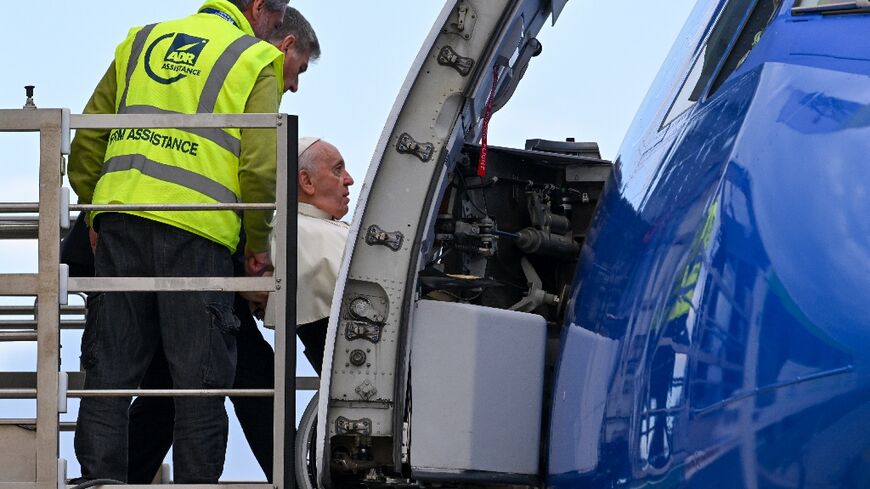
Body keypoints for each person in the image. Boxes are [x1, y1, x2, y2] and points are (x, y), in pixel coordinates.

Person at [68, 0, 289, 483]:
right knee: (201, 386)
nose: (275, 33)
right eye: (276, 21)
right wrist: (257, 244)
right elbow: (259, 170)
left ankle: (98, 482)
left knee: (109, 377)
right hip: (200, 234)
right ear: (257, 9)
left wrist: (93, 209)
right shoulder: (255, 58)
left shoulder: (141, 41)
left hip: (120, 223)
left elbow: (86, 142)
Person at [123, 8, 323, 483]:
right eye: (300, 70)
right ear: (285, 45)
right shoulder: (253, 65)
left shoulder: (183, 57)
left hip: (144, 230)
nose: (295, 85)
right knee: (220, 376)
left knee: (174, 380)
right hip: (197, 240)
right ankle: (289, 476)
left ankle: (120, 475)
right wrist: (253, 256)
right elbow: (248, 173)